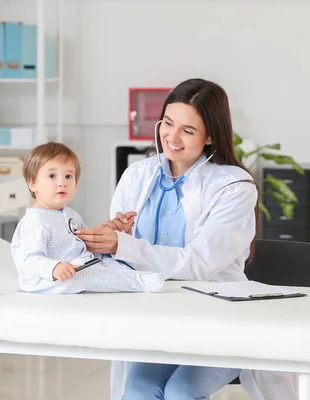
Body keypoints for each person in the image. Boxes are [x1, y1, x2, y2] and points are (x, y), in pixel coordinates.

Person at [76, 79, 259, 400]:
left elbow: (200, 263)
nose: (172, 137)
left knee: (181, 391)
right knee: (138, 389)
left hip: (217, 319)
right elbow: (116, 263)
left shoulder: (234, 186)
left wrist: (124, 246)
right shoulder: (138, 175)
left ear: (211, 135)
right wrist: (113, 240)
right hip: (156, 319)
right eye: (168, 124)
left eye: (188, 131)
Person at [10, 142, 164, 294]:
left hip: (79, 264)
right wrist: (54, 268)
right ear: (33, 183)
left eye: (68, 176)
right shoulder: (35, 221)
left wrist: (108, 231)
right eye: (52, 176)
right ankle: (139, 282)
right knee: (90, 276)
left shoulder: (69, 214)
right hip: (51, 280)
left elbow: (85, 241)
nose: (62, 183)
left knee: (109, 261)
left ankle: (136, 276)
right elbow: (29, 260)